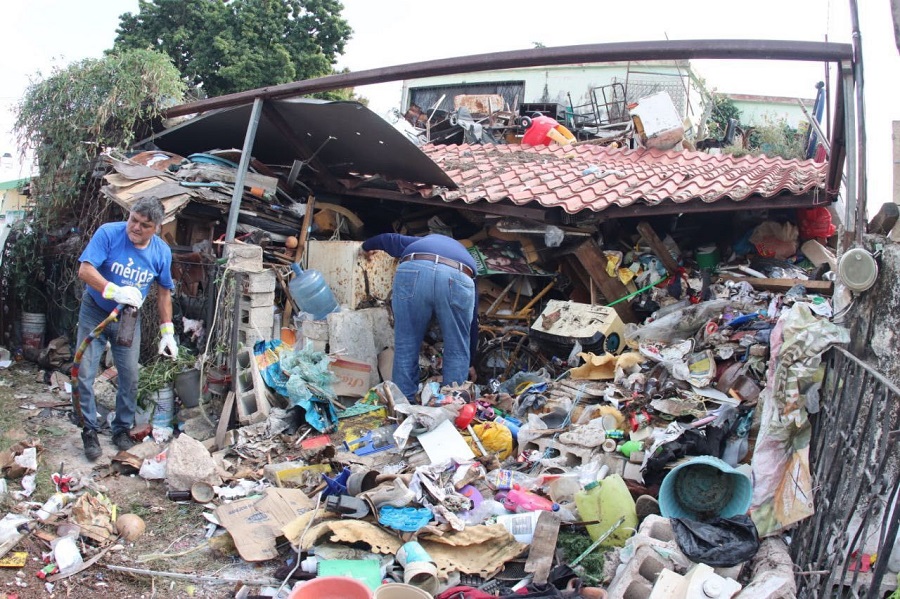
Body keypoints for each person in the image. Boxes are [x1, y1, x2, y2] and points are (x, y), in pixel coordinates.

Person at [75, 196, 178, 461]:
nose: (135, 227)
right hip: (96, 310)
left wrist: (167, 331)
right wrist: (113, 290)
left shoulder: (161, 252)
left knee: (130, 375)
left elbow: (165, 292)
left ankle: (121, 428)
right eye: (133, 219)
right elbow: (85, 271)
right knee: (85, 370)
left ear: (156, 227)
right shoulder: (109, 233)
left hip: (128, 318)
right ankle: (89, 430)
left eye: (145, 225)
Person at [362, 233, 478, 402]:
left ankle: (402, 406)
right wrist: (469, 362)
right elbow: (471, 323)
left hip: (414, 268)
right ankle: (451, 407)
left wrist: (366, 246)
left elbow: (388, 240)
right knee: (457, 347)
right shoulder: (466, 257)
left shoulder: (421, 241)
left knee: (406, 344)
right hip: (458, 274)